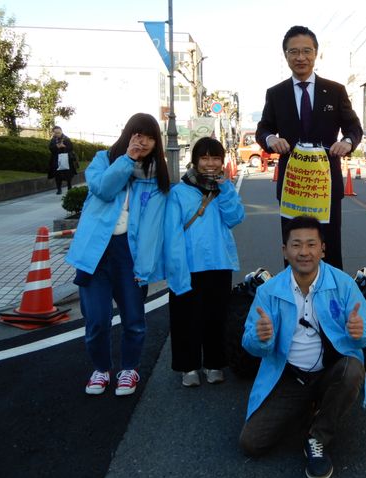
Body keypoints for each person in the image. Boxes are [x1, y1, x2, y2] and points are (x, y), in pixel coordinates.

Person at [239, 215, 366, 478]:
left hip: (329, 372)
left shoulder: (342, 283)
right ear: (285, 250)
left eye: (311, 244)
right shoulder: (269, 291)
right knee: (251, 443)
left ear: (322, 249)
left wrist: (361, 332)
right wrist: (261, 338)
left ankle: (317, 437)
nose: (304, 252)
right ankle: (306, 407)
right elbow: (250, 344)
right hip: (288, 377)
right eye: (296, 245)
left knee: (352, 369)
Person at [66, 113, 170, 397]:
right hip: (94, 253)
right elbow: (102, 189)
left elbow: (158, 225)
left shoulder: (156, 175)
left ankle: (129, 368)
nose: (143, 141)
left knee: (134, 319)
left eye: (149, 137)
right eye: (138, 135)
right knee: (97, 319)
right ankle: (100, 368)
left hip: (131, 254)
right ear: (128, 135)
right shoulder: (104, 160)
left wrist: (151, 265)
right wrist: (127, 159)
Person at [256, 25, 363, 270]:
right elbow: (263, 129)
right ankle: (293, 304)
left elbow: (354, 127)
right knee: (294, 249)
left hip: (325, 184)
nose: (301, 57)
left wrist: (346, 143)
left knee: (329, 248)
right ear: (285, 56)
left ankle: (331, 304)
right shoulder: (276, 94)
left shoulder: (335, 91)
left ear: (316, 53)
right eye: (294, 52)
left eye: (307, 51)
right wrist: (271, 140)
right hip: (292, 184)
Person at [164, 137, 245, 387]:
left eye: (215, 158)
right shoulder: (179, 192)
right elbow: (172, 232)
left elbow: (235, 218)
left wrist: (227, 190)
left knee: (216, 316)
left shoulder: (223, 188)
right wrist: (176, 266)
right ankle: (188, 367)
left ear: (222, 161)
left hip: (219, 263)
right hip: (188, 264)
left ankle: (214, 363)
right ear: (195, 161)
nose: (210, 164)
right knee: (185, 318)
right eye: (205, 158)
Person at [48, 126, 77, 194]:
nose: (58, 134)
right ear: (54, 133)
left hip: (66, 159)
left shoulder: (66, 139)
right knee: (57, 175)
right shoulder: (53, 140)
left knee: (68, 174)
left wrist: (64, 147)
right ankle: (59, 189)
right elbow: (51, 148)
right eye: (56, 133)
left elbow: (71, 148)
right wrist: (57, 146)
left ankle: (69, 187)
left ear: (61, 131)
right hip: (56, 160)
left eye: (59, 132)